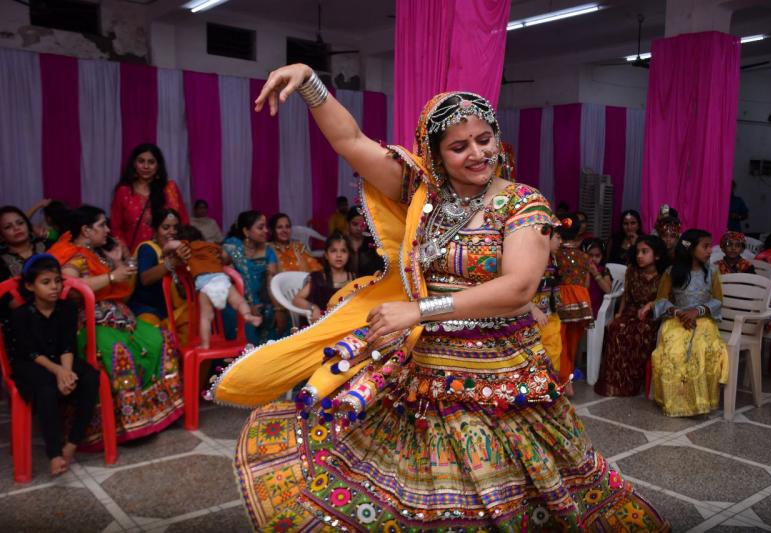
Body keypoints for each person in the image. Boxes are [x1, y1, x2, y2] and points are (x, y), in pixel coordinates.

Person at [212, 65, 667, 531]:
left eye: (485, 139)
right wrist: (310, 83)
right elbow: (351, 142)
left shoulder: (522, 203)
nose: (478, 153)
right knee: (409, 495)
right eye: (459, 146)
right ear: (435, 154)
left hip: (500, 377)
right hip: (425, 369)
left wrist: (419, 310)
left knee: (503, 496)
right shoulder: (422, 195)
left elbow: (518, 289)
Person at [49, 205, 184, 445]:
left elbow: (126, 283)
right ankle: (125, 425)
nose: (108, 229)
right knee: (118, 352)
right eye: (102, 225)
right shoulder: (73, 255)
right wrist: (110, 276)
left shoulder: (99, 252)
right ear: (86, 230)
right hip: (90, 323)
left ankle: (158, 412)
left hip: (121, 318)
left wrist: (120, 261)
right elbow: (69, 286)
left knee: (159, 339)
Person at [7, 254, 99, 476]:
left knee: (90, 377)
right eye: (46, 282)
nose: (54, 287)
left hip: (60, 359)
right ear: (30, 286)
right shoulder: (20, 316)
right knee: (46, 389)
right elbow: (30, 352)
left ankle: (73, 442)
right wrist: (58, 371)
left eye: (57, 281)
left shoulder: (66, 309)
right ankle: (54, 453)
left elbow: (68, 345)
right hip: (31, 363)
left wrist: (66, 372)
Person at [651, 229, 728, 417]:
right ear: (691, 248)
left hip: (703, 321)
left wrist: (697, 311)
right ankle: (676, 401)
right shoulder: (671, 272)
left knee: (700, 348)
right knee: (673, 350)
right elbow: (661, 300)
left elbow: (718, 300)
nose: (710, 251)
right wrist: (679, 312)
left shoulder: (712, 272)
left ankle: (699, 401)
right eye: (706, 246)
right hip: (677, 319)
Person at [595, 236, 668, 397]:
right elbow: (626, 297)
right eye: (637, 252)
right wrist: (619, 314)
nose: (639, 256)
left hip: (652, 317)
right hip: (631, 312)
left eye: (645, 252)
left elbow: (665, 300)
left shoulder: (664, 275)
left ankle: (632, 381)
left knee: (641, 331)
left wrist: (650, 307)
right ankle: (615, 381)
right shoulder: (632, 271)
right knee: (616, 328)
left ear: (657, 255)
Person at [178, 225, 262, 348]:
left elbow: (172, 246)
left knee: (206, 317)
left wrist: (165, 251)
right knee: (239, 302)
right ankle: (248, 315)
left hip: (205, 285)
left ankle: (205, 344)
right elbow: (225, 257)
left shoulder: (187, 247)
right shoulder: (211, 246)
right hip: (222, 280)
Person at [127, 209, 192, 344]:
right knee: (153, 337)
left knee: (196, 319)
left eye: (175, 227)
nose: (172, 232)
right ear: (155, 230)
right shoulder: (148, 248)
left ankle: (188, 363)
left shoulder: (180, 249)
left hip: (172, 311)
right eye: (166, 227)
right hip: (147, 309)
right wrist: (172, 263)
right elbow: (145, 279)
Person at [111, 143, 189, 251]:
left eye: (151, 162)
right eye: (141, 161)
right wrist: (126, 254)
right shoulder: (123, 192)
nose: (146, 166)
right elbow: (116, 228)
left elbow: (183, 222)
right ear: (134, 164)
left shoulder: (170, 189)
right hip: (136, 256)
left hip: (169, 255)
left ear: (158, 166)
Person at [222, 210, 285, 343]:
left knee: (273, 317)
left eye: (266, 227)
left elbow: (271, 282)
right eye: (260, 227)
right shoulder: (232, 247)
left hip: (261, 301)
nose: (266, 231)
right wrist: (247, 305)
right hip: (236, 302)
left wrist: (278, 310)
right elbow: (219, 275)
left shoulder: (268, 251)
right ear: (246, 231)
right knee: (241, 320)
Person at [554, 214, 595, 394]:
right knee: (572, 342)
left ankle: (564, 381)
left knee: (559, 339)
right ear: (579, 231)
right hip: (581, 300)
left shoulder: (554, 254)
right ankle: (568, 378)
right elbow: (586, 283)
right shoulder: (584, 257)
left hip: (561, 299)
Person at [292, 232, 354, 323]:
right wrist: (314, 307)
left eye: (343, 251)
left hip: (344, 324)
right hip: (321, 324)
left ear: (349, 255)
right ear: (326, 255)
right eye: (333, 251)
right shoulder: (318, 278)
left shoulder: (353, 278)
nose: (339, 255)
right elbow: (296, 300)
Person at [0, 206, 48, 323]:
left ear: (28, 225)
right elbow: (9, 301)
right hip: (22, 321)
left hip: (58, 311)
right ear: (1, 235)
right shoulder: (1, 261)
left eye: (20, 223)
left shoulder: (48, 247)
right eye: (8, 227)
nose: (16, 228)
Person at [530, 229, 563, 373]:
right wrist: (533, 309)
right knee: (536, 355)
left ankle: (551, 388)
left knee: (554, 350)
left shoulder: (552, 258)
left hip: (550, 315)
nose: (560, 242)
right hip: (533, 318)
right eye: (558, 237)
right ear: (546, 238)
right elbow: (520, 290)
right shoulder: (532, 260)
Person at [345, 205, 383, 277]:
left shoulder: (372, 244)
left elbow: (379, 267)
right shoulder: (341, 243)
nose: (359, 228)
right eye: (355, 224)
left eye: (362, 225)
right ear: (347, 224)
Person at [581, 237, 613, 319]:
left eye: (597, 256)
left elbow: (608, 290)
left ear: (602, 256)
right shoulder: (580, 270)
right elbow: (585, 288)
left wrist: (596, 274)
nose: (594, 259)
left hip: (598, 308)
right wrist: (587, 272)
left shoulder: (604, 270)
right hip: (583, 305)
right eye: (590, 255)